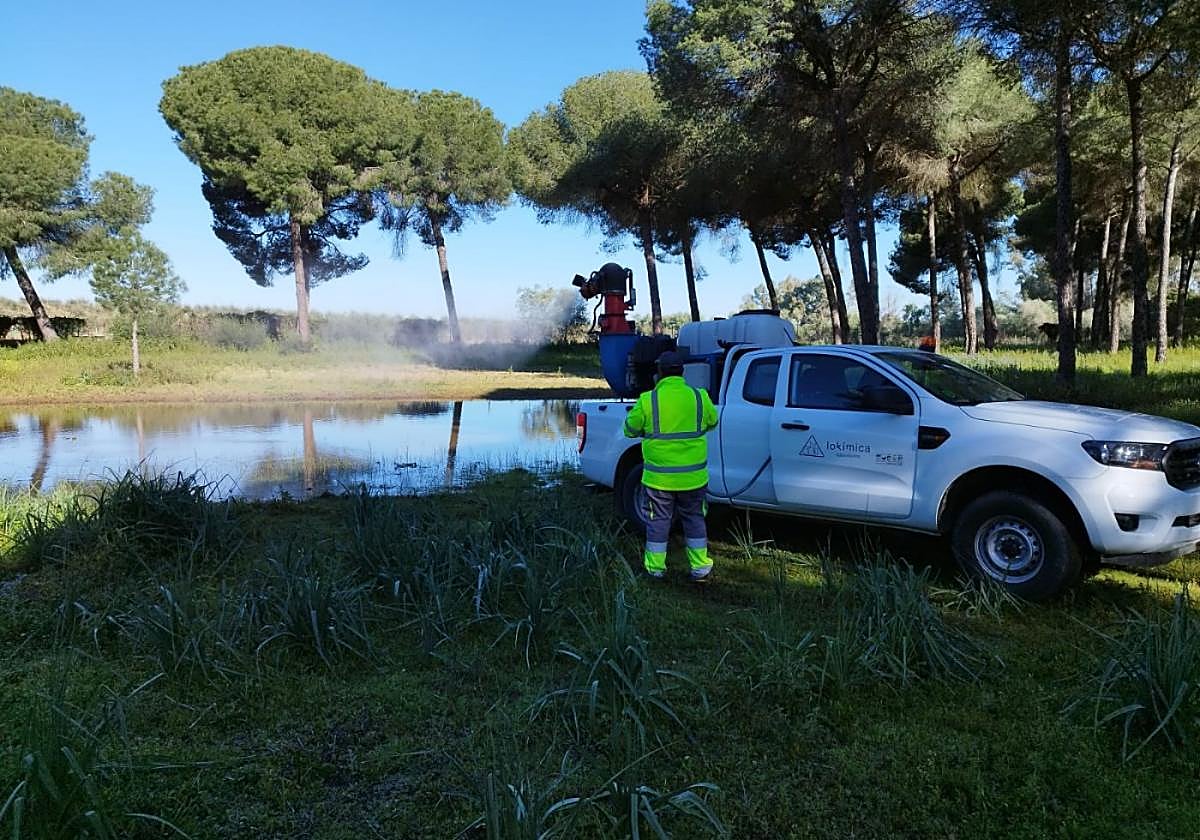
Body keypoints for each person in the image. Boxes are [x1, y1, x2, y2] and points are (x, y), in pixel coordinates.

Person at [622, 350, 719, 581]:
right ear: (682, 372)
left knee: (659, 521)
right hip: (694, 478)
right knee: (694, 518)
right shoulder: (699, 397)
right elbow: (713, 421)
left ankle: (655, 568)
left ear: (659, 373)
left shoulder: (648, 400)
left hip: (659, 479)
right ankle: (700, 568)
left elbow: (629, 429)